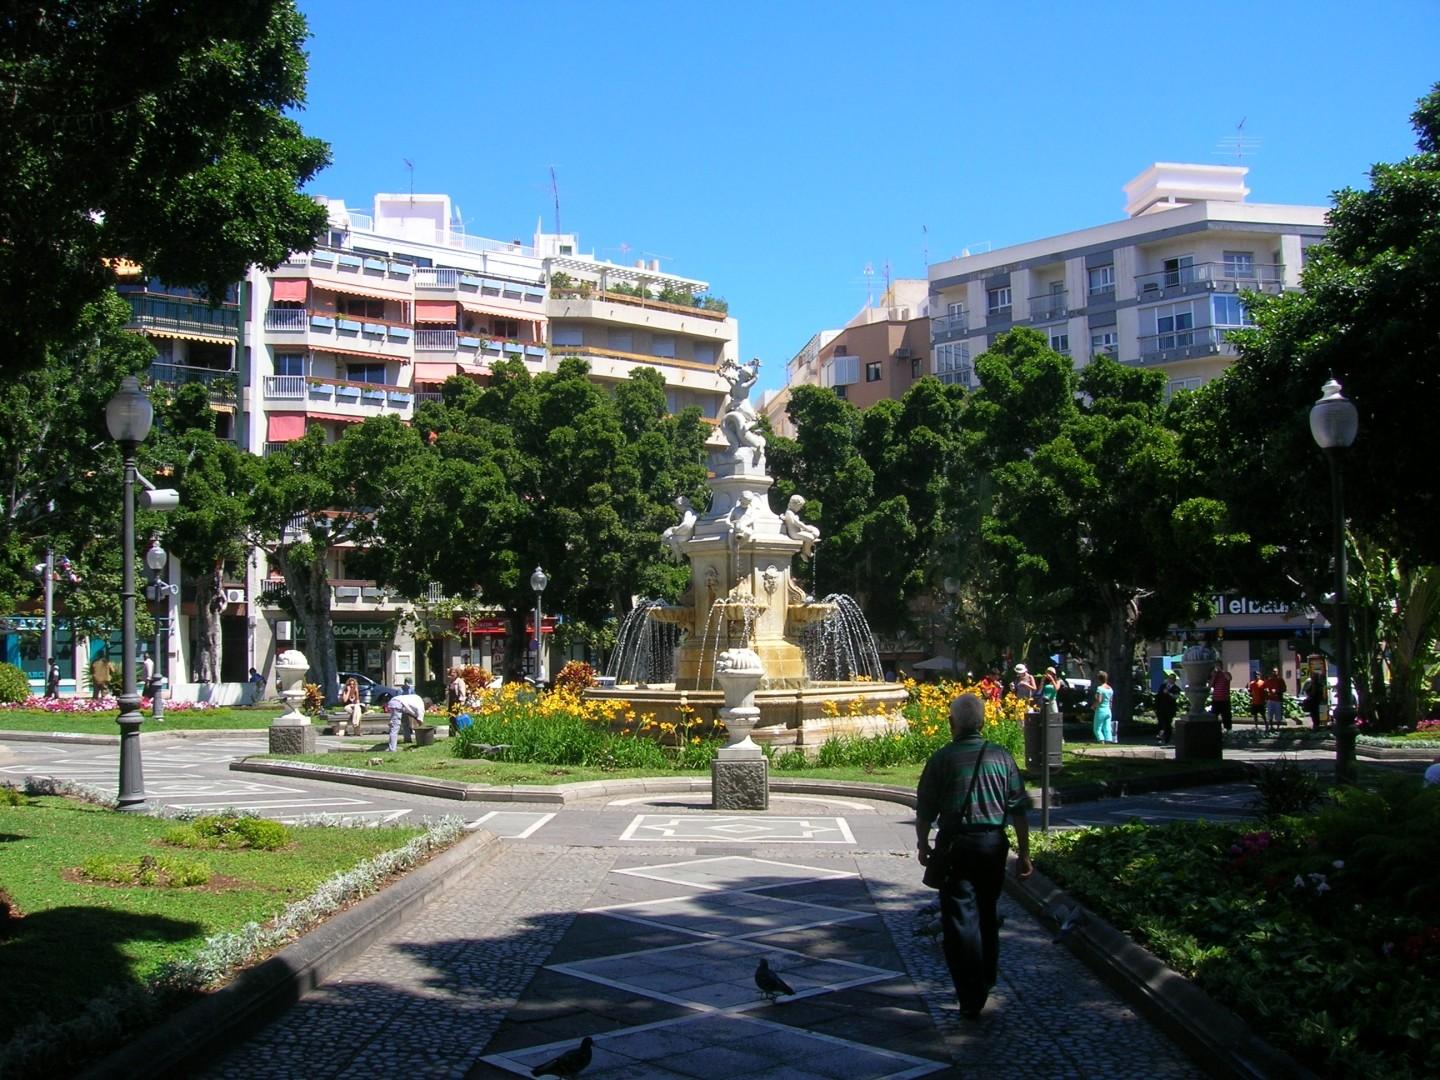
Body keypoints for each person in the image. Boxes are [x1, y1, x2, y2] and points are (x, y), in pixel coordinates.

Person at [916, 694, 1033, 1018]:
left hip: (957, 846)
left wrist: (923, 844)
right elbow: (1019, 809)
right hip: (993, 845)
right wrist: (1024, 853)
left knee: (959, 919)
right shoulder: (1002, 757)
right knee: (987, 911)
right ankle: (987, 977)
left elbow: (925, 809)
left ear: (951, 722)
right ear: (982, 722)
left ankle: (971, 994)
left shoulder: (942, 759)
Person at [1154, 670, 1180, 745]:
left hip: (1170, 709)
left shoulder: (1176, 688)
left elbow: (1175, 697)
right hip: (1161, 708)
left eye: (1172, 678)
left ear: (1174, 680)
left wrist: (1168, 693)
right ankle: (1159, 738)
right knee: (1161, 723)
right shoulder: (1163, 686)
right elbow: (1158, 696)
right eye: (1169, 678)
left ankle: (1167, 739)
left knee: (1168, 724)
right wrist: (1156, 707)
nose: (1170, 680)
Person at [1209, 666, 1234, 732]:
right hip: (1216, 700)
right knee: (1213, 716)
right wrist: (1214, 676)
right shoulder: (1215, 676)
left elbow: (1229, 678)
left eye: (1217, 666)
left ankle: (1228, 730)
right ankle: (1214, 730)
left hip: (1225, 700)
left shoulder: (1226, 674)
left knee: (1226, 717)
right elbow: (1210, 685)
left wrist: (1221, 671)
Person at [1093, 671, 1115, 743]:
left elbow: (1099, 700)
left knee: (1097, 728)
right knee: (1107, 727)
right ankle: (1109, 740)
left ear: (1099, 679)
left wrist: (1093, 706)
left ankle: (1101, 740)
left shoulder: (1100, 688)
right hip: (1108, 710)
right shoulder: (1110, 689)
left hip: (1101, 710)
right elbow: (1111, 701)